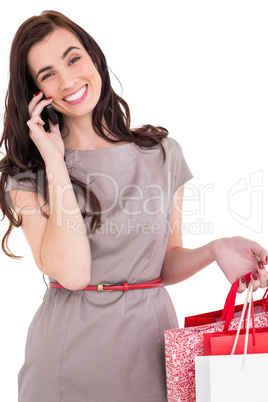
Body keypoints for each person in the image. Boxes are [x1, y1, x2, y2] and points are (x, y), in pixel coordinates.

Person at [0, 10, 267, 402]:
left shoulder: (162, 153)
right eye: (47, 74)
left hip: (152, 346)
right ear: (36, 94)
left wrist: (215, 249)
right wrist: (55, 162)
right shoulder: (27, 176)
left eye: (73, 59)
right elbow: (73, 274)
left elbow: (164, 261)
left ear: (94, 58)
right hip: (68, 358)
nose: (68, 79)